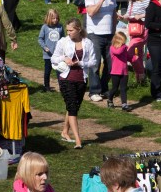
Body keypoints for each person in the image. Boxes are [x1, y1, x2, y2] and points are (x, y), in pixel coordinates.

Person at [51, 18, 97, 148]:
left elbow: (93, 61)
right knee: (72, 107)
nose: (68, 32)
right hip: (66, 78)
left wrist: (81, 63)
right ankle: (78, 140)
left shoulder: (87, 43)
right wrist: (64, 58)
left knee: (74, 106)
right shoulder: (63, 42)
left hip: (81, 78)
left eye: (71, 30)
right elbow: (54, 58)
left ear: (78, 29)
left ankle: (65, 131)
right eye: (67, 30)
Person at [85, 0, 117, 102]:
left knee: (111, 64)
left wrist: (114, 31)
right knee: (95, 63)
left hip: (109, 34)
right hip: (95, 34)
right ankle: (94, 91)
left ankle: (103, 88)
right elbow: (91, 12)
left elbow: (114, 13)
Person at [118, 0, 150, 86]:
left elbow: (151, 13)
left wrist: (140, 16)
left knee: (130, 52)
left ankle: (141, 74)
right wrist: (123, 16)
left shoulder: (145, 0)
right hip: (133, 30)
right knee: (138, 54)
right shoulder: (131, 1)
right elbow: (128, 13)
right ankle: (140, 79)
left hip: (142, 30)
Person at [106, 31, 134, 111]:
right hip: (115, 72)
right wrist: (124, 47)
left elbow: (127, 57)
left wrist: (134, 58)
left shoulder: (124, 48)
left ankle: (124, 104)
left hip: (124, 72)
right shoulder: (113, 48)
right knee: (114, 88)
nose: (124, 43)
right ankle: (110, 100)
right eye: (123, 41)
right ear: (118, 40)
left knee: (123, 88)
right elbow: (118, 52)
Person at [38, 9, 63, 92]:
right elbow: (40, 39)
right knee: (47, 71)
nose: (55, 20)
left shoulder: (60, 27)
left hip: (58, 54)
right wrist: (44, 47)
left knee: (60, 71)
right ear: (49, 18)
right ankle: (47, 86)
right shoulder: (44, 27)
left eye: (56, 18)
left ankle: (62, 87)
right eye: (53, 18)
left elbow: (63, 38)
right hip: (48, 55)